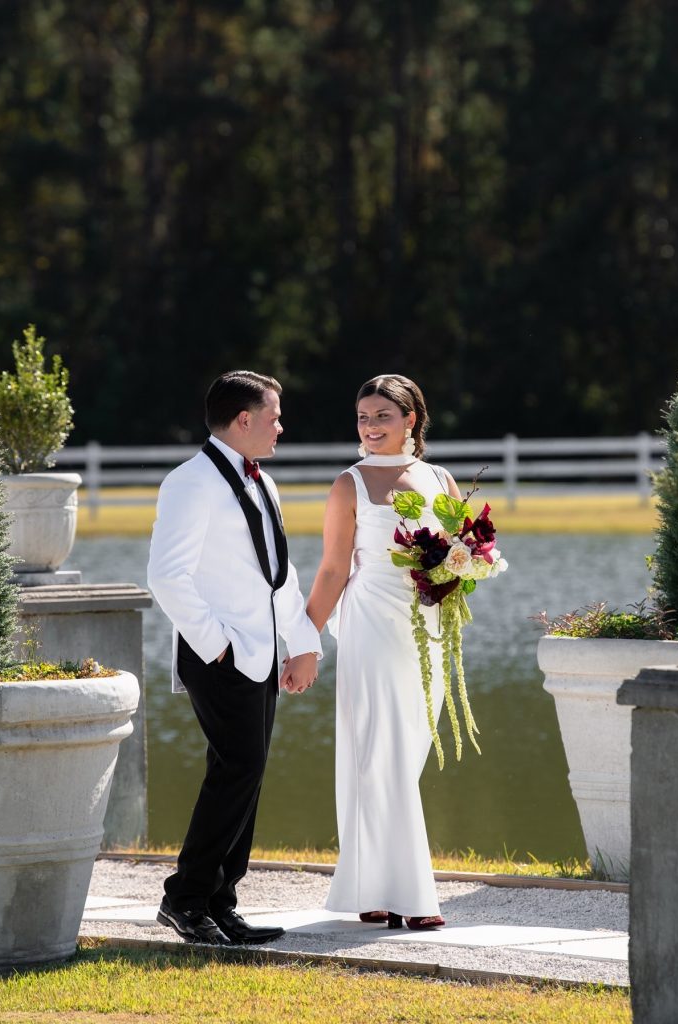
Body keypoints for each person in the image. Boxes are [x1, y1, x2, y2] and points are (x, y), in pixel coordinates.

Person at [147, 370, 322, 945]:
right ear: (243, 420)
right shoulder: (190, 482)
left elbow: (279, 577)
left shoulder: (261, 482)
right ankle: (186, 899)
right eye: (273, 415)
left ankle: (220, 901)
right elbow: (165, 576)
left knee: (246, 773)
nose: (280, 426)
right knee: (237, 769)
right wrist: (216, 644)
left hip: (262, 651)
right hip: (219, 653)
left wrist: (301, 644)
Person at [302, 373, 461, 930]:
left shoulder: (441, 478)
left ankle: (369, 884)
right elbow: (331, 569)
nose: (370, 427)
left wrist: (462, 571)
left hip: (429, 626)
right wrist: (303, 641)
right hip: (371, 624)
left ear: (410, 420)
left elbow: (457, 552)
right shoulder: (348, 484)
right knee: (378, 752)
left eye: (382, 417)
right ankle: (412, 896)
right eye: (363, 418)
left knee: (406, 751)